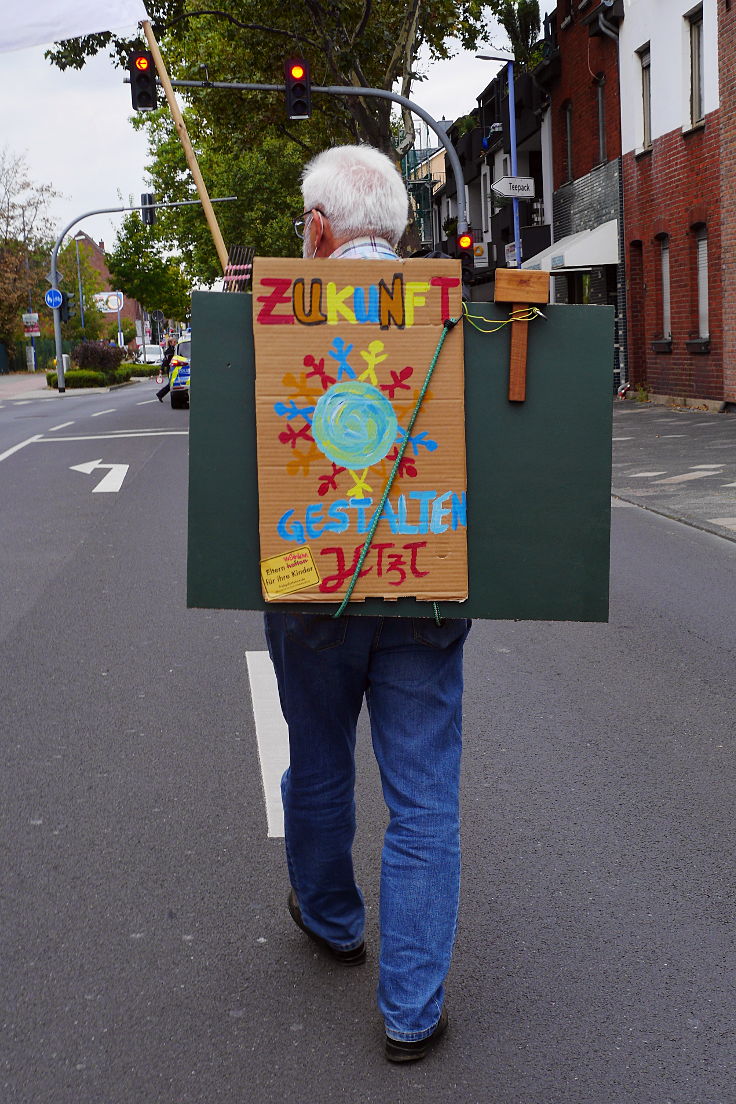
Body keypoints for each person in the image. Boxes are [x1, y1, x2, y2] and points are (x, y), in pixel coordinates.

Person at [264, 145, 471, 1064]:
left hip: (313, 586)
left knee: (317, 760)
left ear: (318, 228)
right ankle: (411, 1014)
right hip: (428, 588)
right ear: (397, 228)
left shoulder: (273, 320)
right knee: (425, 798)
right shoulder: (460, 312)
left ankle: (335, 921)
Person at [156, 337, 177, 402]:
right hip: (170, 369)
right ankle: (160, 394)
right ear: (170, 343)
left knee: (173, 383)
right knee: (171, 384)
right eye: (174, 342)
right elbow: (165, 361)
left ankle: (160, 394)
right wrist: (161, 369)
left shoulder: (174, 349)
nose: (175, 343)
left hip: (174, 368)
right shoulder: (169, 351)